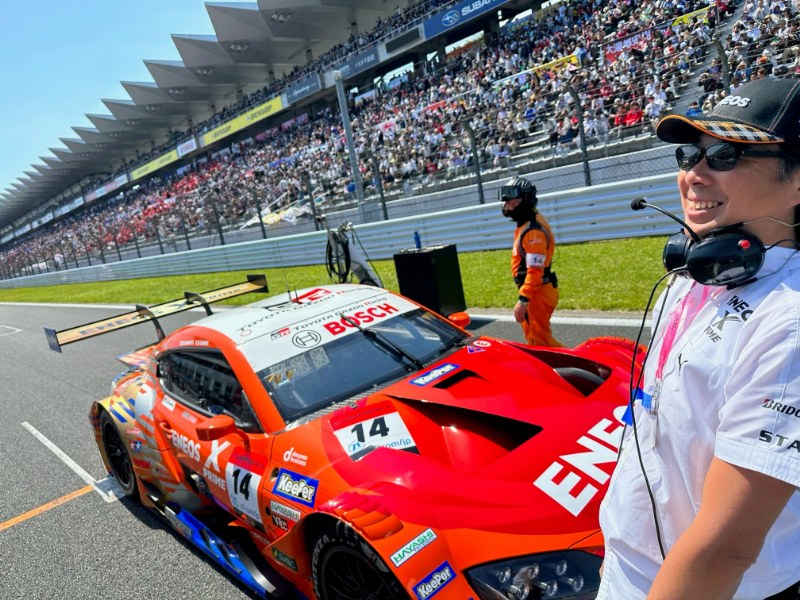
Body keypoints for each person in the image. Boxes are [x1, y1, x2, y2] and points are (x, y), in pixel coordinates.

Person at [598, 78, 800, 600]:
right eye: (689, 155)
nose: (694, 173)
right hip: (628, 565)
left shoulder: (790, 324)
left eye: (726, 156)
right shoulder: (693, 275)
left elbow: (723, 551)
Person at [500, 177, 565, 348]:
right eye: (507, 203)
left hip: (537, 293)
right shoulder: (528, 222)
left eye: (514, 203)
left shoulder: (533, 231)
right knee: (535, 340)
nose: (509, 207)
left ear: (526, 201)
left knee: (541, 345)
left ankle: (583, 361)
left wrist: (523, 300)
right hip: (537, 291)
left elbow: (535, 272)